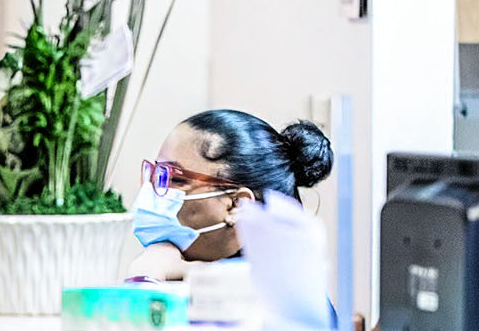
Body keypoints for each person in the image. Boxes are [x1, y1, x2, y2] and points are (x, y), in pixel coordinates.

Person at [128, 109, 333, 280]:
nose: (151, 189)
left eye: (174, 179)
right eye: (155, 173)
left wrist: (146, 279)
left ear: (237, 205)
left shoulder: (271, 305)